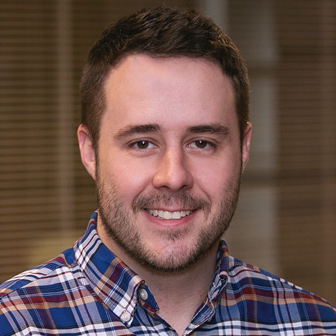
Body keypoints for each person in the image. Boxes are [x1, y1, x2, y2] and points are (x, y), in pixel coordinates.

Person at [0, 6, 335, 336]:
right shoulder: (14, 324)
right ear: (90, 151)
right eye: (142, 143)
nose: (174, 177)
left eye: (202, 143)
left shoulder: (315, 325)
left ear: (244, 149)